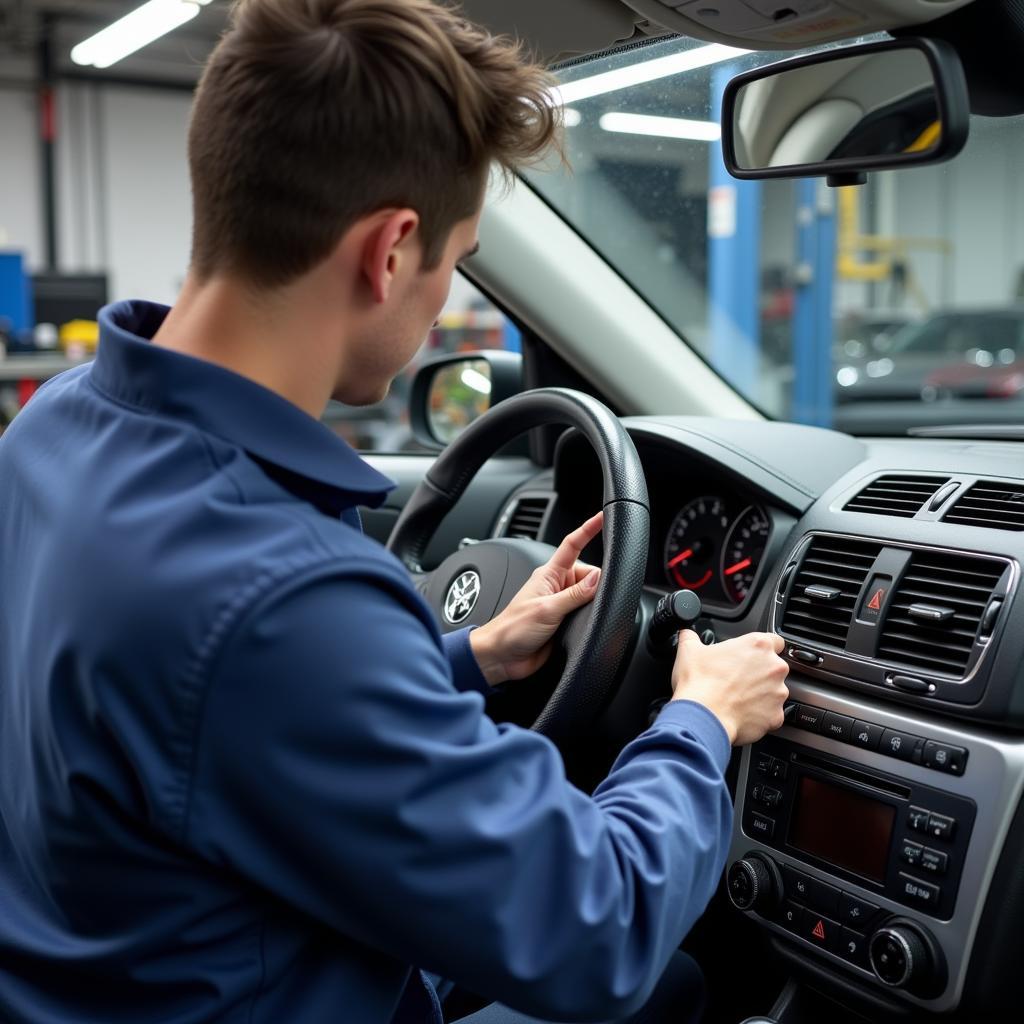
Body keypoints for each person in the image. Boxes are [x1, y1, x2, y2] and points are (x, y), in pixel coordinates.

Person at [0, 1, 789, 1022]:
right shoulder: (279, 595)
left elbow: (199, 726)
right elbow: (598, 926)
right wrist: (702, 719)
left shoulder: (53, 431)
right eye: (455, 261)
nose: (440, 295)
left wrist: (469, 656)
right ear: (389, 251)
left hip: (126, 966)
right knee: (674, 985)